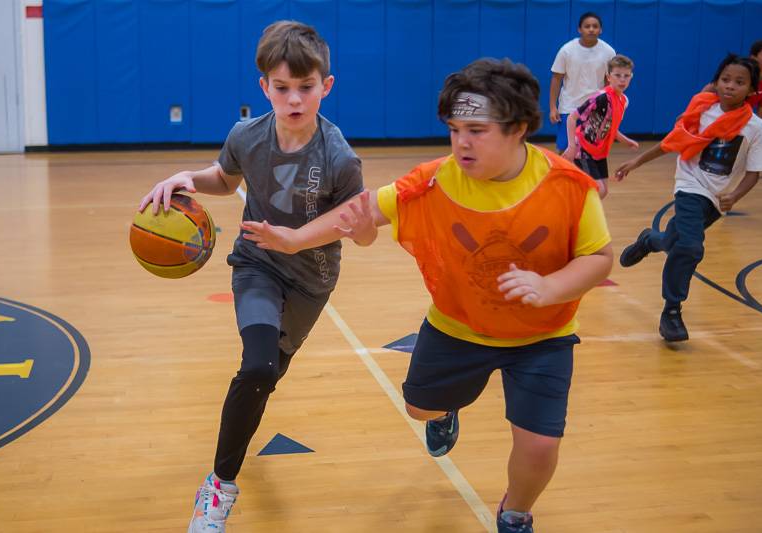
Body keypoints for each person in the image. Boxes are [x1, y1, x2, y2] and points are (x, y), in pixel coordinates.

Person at [241, 58, 614, 533]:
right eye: (455, 128)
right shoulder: (433, 181)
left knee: (539, 443)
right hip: (458, 326)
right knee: (420, 407)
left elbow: (599, 258)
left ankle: (516, 512)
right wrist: (293, 239)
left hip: (543, 336)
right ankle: (448, 408)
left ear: (519, 128)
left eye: (477, 129)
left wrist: (550, 287)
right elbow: (361, 211)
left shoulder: (569, 188)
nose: (462, 141)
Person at [138, 21, 365, 532]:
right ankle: (218, 487)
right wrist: (185, 178)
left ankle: (233, 450)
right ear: (264, 86)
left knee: (268, 378)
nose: (294, 99)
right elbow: (224, 178)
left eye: (306, 88)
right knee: (258, 369)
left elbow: (357, 228)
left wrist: (315, 235)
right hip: (258, 265)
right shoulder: (247, 135)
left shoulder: (339, 157)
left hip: (312, 280)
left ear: (325, 86)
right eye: (281, 88)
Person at [614, 54, 762, 342]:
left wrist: (735, 196)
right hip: (689, 186)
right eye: (725, 80)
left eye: (739, 82)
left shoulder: (756, 129)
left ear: (751, 90)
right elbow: (672, 143)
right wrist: (637, 162)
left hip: (716, 198)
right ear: (716, 82)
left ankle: (650, 240)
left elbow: (754, 173)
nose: (730, 86)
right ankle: (672, 312)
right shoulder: (701, 110)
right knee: (690, 247)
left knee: (671, 243)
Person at [563, 54, 639, 198]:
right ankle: (572, 206)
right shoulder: (600, 98)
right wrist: (571, 146)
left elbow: (611, 128)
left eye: (626, 76)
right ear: (608, 77)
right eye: (617, 75)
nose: (622, 79)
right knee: (598, 190)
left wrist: (626, 141)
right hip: (583, 149)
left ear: (631, 77)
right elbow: (572, 118)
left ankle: (576, 206)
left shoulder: (624, 101)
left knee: (603, 192)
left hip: (599, 152)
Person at [549, 12, 616, 153]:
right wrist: (553, 107)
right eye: (587, 26)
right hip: (569, 107)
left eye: (595, 26)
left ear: (601, 30)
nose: (591, 29)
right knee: (565, 149)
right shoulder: (566, 50)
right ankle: (561, 174)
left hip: (594, 110)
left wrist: (608, 107)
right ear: (580, 29)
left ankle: (584, 175)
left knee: (589, 150)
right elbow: (556, 78)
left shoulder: (609, 52)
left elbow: (609, 82)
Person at [701, 40, 762, 121]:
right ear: (753, 57)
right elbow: (705, 92)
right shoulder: (740, 73)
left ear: (751, 90)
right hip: (717, 117)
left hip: (739, 120)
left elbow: (761, 114)